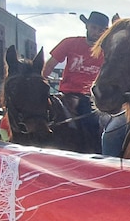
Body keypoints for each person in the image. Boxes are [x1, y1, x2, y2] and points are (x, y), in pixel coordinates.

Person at [42, 10, 108, 153]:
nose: (96, 32)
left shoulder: (107, 51)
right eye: (94, 27)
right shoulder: (70, 43)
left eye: (101, 30)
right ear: (87, 26)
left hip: (91, 96)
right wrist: (42, 85)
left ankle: (95, 152)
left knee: (92, 122)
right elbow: (50, 65)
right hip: (66, 93)